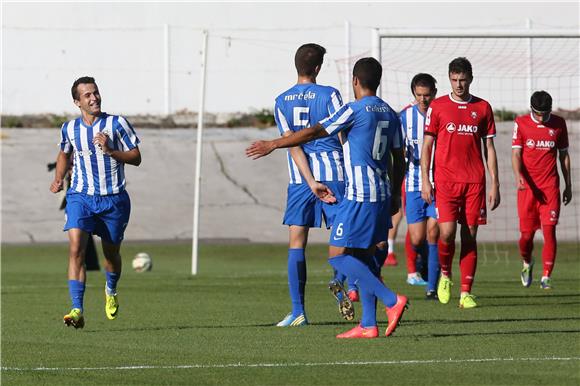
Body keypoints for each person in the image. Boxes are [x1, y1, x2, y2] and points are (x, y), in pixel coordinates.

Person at [247, 57, 408, 339]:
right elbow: (399, 157)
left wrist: (273, 144)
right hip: (382, 192)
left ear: (355, 82)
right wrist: (396, 193)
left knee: (338, 256)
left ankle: (392, 300)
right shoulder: (390, 113)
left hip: (359, 194)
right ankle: (368, 324)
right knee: (363, 254)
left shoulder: (353, 110)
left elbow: (315, 131)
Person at [271, 43, 353, 327]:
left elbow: (292, 144)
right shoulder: (330, 94)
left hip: (299, 179)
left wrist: (309, 181)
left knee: (296, 242)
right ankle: (340, 281)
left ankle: (298, 312)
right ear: (318, 68)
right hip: (335, 174)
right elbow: (342, 133)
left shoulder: (281, 100)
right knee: (346, 235)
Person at [50, 76, 141, 329]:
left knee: (111, 254)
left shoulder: (117, 123)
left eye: (96, 93)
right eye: (88, 95)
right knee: (76, 247)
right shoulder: (69, 129)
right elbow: (63, 153)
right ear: (77, 102)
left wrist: (111, 151)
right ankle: (77, 309)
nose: (94, 98)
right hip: (81, 196)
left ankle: (110, 289)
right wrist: (58, 178)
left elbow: (136, 157)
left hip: (114, 200)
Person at [421, 57, 500, 309]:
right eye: (454, 80)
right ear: (449, 79)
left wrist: (495, 183)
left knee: (470, 236)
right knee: (446, 233)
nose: (459, 85)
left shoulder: (483, 108)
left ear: (471, 79)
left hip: (474, 183)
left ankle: (466, 292)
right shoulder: (438, 106)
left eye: (463, 80)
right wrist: (425, 179)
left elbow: (489, 147)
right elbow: (427, 145)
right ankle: (445, 275)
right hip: (445, 181)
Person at [511, 91, 572, 289]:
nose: (541, 117)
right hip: (527, 189)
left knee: (549, 231)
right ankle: (527, 262)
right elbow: (516, 154)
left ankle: (546, 276)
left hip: (550, 188)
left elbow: (564, 156)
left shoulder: (558, 124)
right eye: (537, 113)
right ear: (531, 109)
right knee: (526, 237)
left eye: (545, 113)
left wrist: (568, 184)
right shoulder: (521, 123)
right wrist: (518, 176)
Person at [400, 73, 440, 297]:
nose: (423, 100)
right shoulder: (405, 117)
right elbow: (397, 148)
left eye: (427, 95)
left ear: (434, 92)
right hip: (414, 184)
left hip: (439, 183)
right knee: (416, 238)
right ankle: (424, 262)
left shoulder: (442, 113)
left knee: (434, 233)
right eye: (419, 96)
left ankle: (432, 287)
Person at [48, 158, 101, 271]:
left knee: (82, 232)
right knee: (79, 232)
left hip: (88, 193)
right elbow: (65, 157)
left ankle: (90, 263)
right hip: (74, 194)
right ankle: (87, 263)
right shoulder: (70, 147)